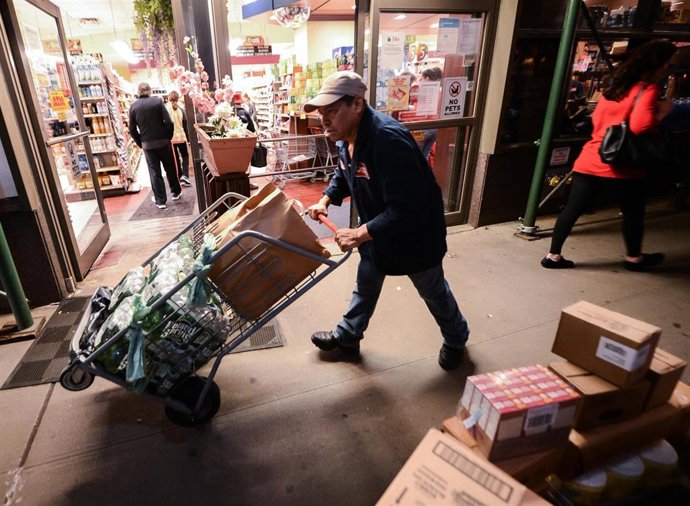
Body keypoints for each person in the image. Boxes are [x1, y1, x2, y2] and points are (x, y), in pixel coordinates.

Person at [304, 71, 470, 371]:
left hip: (415, 236)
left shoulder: (387, 140)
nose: (324, 120)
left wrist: (359, 233)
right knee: (365, 285)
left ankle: (457, 338)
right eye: (321, 113)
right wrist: (325, 199)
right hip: (378, 231)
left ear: (357, 104)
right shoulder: (346, 137)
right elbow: (345, 173)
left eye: (332, 111)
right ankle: (348, 337)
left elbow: (408, 208)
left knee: (433, 291)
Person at [541, 40, 677, 271]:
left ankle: (553, 256)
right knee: (633, 213)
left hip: (593, 157)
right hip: (624, 164)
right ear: (658, 65)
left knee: (572, 209)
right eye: (667, 64)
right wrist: (662, 112)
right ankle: (634, 258)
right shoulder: (647, 90)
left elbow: (596, 121)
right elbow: (639, 126)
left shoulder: (613, 88)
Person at [129, 82, 181, 210]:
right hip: (163, 141)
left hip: (148, 145)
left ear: (138, 91)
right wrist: (168, 136)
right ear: (150, 90)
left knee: (154, 172)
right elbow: (169, 122)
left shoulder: (133, 107)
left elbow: (132, 128)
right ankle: (175, 192)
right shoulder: (158, 102)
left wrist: (140, 143)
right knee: (170, 167)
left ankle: (160, 200)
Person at [165, 90, 191, 187]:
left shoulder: (166, 109)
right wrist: (188, 139)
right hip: (181, 137)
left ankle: (179, 176)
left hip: (171, 138)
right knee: (185, 156)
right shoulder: (181, 109)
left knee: (176, 159)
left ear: (169, 97)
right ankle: (185, 175)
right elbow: (185, 125)